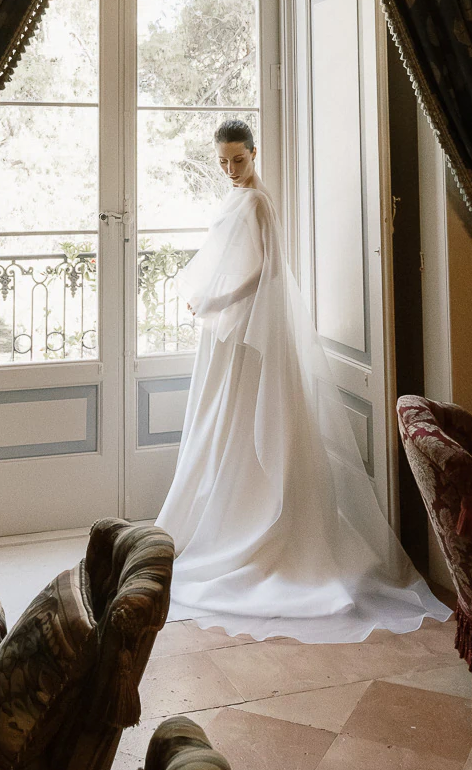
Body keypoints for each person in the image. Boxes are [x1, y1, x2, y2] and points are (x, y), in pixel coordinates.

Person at [156, 119, 449, 642]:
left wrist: (215, 301)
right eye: (222, 161)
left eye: (238, 160)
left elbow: (266, 269)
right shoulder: (234, 197)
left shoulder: (258, 202)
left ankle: (264, 533)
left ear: (254, 153)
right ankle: (228, 519)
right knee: (225, 430)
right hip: (230, 331)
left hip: (247, 328)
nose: (229, 170)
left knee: (251, 425)